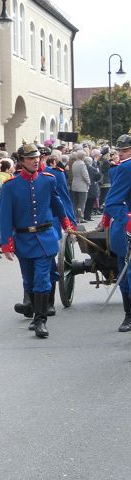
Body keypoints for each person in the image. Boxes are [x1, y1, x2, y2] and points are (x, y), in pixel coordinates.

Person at [0, 144, 75, 338]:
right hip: (23, 239)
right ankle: (34, 312)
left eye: (37, 158)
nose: (35, 161)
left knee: (42, 279)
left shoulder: (48, 180)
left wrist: (67, 224)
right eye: (31, 158)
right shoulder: (10, 186)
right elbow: (5, 216)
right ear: (21, 161)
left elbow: (57, 204)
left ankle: (41, 320)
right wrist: (6, 243)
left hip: (45, 237)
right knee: (29, 280)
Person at [101, 134, 131, 332]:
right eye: (120, 150)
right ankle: (129, 315)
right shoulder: (126, 168)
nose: (121, 154)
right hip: (128, 231)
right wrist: (128, 219)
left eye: (125, 150)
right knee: (127, 275)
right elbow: (112, 202)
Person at [70, 150, 90, 222]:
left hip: (74, 184)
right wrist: (89, 182)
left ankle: (74, 216)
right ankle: (80, 217)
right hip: (82, 186)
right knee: (82, 203)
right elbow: (85, 175)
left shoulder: (74, 163)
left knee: (75, 202)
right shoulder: (82, 164)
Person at [83, 157, 101, 221]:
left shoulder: (83, 168)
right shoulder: (93, 169)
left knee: (85, 203)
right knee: (90, 203)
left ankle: (84, 215)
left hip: (84, 186)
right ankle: (88, 216)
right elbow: (98, 176)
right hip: (92, 187)